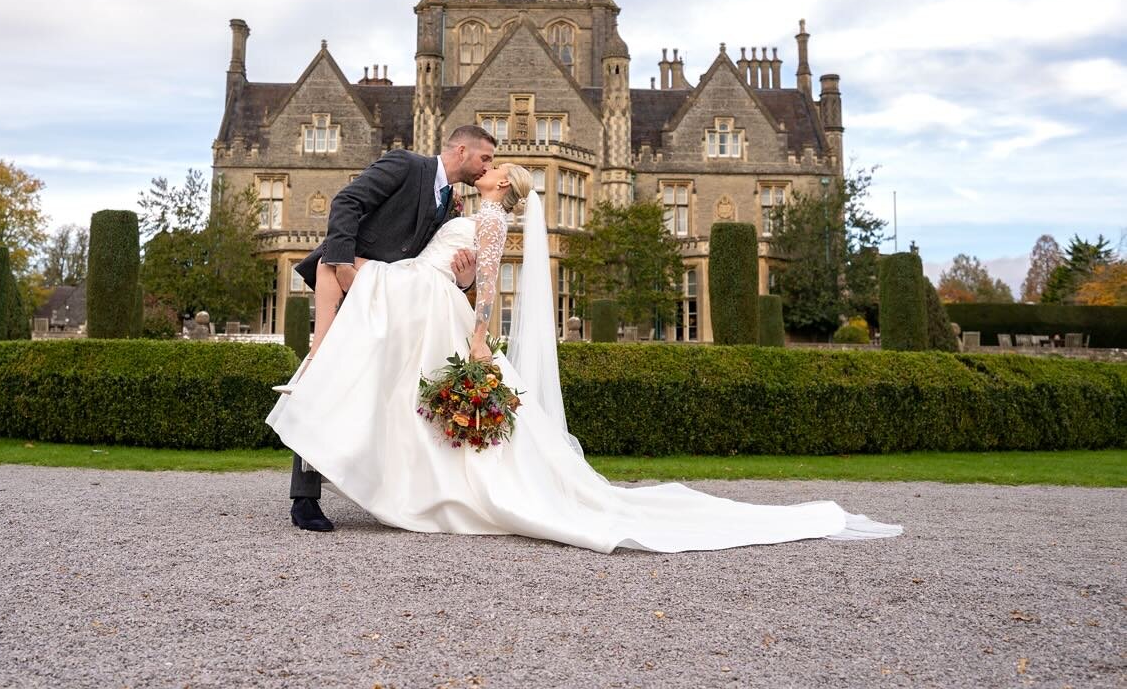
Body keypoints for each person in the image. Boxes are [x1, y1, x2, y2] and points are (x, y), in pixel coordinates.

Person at [269, 161, 903, 552]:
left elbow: (485, 279)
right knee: (379, 382)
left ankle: (403, 477)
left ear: (501, 187)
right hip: (424, 298)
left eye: (496, 167)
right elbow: (451, 261)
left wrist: (479, 329)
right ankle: (348, 468)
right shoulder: (458, 204)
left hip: (437, 307)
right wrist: (456, 285)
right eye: (488, 158)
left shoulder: (489, 219)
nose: (490, 166)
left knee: (376, 371)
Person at [280, 125, 496, 532]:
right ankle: (304, 499)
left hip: (399, 304)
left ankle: (382, 486)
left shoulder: (451, 203)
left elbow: (438, 263)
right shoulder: (405, 164)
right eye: (485, 158)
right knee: (327, 379)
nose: (489, 166)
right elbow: (347, 201)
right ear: (463, 150)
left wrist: (465, 280)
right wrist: (343, 263)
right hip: (356, 285)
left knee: (379, 392)